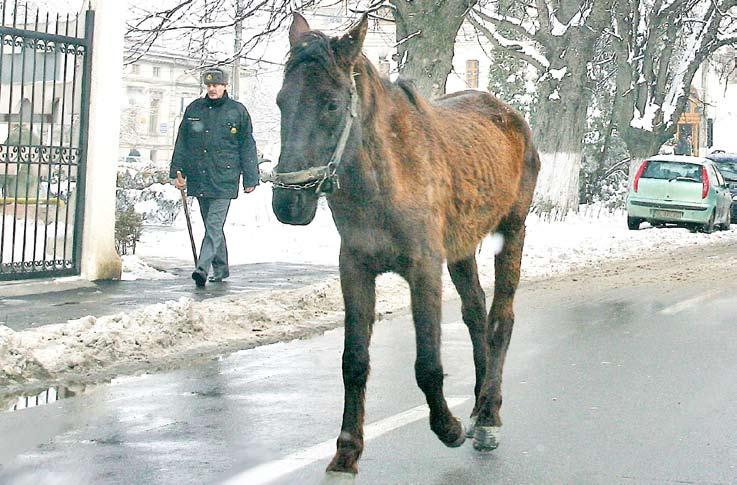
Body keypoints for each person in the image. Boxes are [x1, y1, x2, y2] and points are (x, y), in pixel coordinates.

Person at [169, 67, 259, 287]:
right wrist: (176, 172)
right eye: (209, 85)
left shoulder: (237, 111)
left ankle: (202, 268)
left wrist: (250, 178)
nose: (212, 89)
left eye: (216, 85)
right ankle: (221, 268)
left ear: (225, 86)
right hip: (200, 177)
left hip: (225, 178)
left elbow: (247, 145)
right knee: (213, 226)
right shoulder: (194, 109)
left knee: (213, 225)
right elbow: (182, 142)